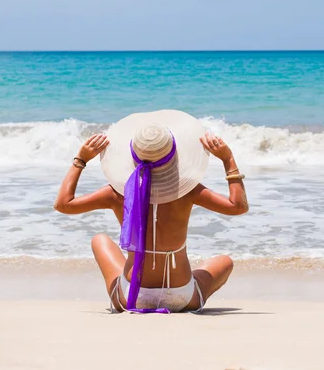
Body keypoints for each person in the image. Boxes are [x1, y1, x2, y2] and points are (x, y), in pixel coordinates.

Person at [54, 110, 248, 313]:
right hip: (182, 296)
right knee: (224, 262)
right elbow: (238, 206)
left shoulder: (116, 193)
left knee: (99, 240)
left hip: (131, 296)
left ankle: (131, 293)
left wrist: (80, 160)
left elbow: (63, 204)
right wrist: (228, 159)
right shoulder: (189, 191)